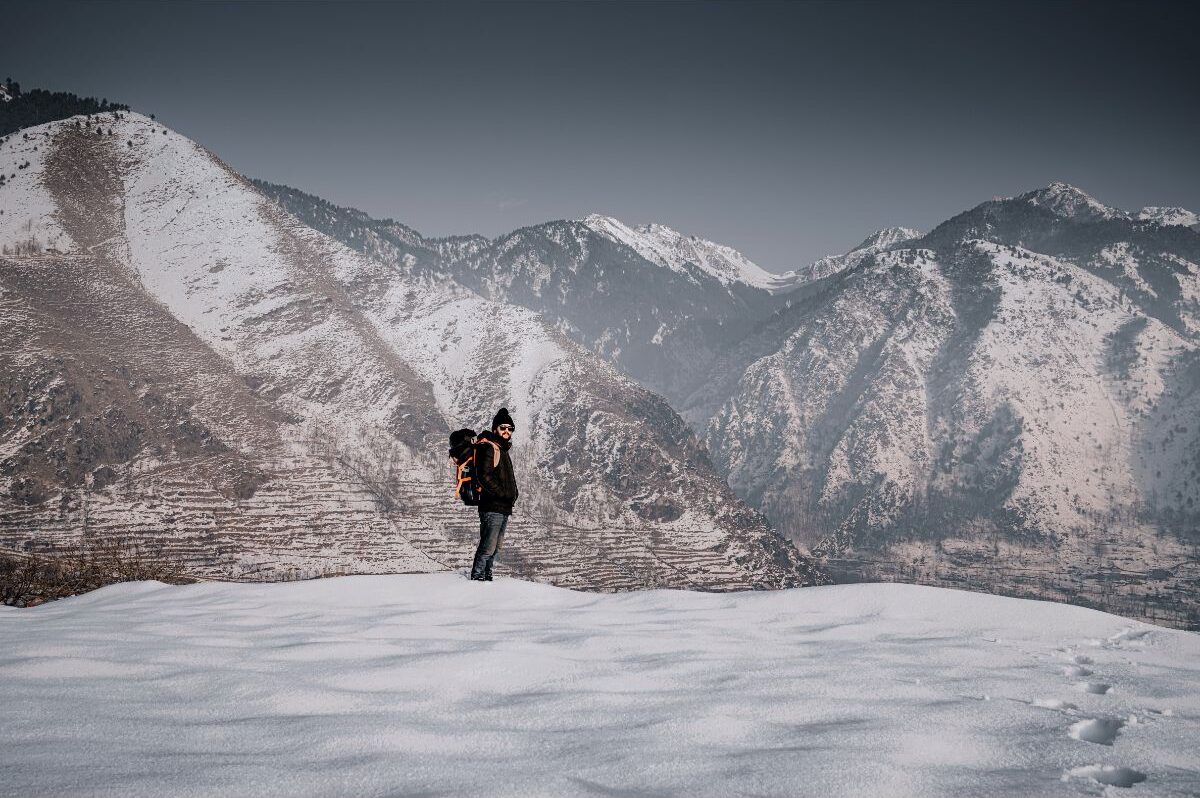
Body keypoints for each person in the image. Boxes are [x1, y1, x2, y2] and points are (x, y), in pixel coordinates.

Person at [470, 407, 519, 581]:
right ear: (495, 429)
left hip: (503, 507)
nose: (507, 431)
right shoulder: (490, 448)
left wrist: (513, 494)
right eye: (503, 428)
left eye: (510, 428)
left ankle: (487, 578)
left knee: (496, 548)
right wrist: (503, 494)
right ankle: (476, 579)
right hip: (492, 506)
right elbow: (484, 476)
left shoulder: (502, 449)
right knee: (488, 547)